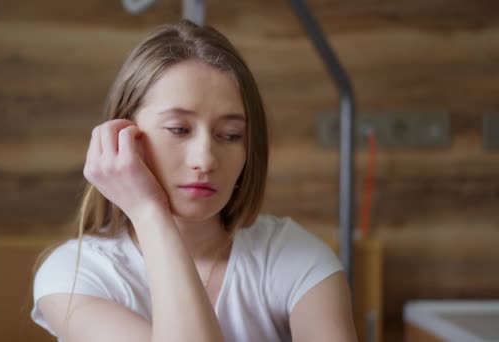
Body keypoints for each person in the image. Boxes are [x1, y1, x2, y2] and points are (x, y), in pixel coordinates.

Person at [31, 19, 358, 342]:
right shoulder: (74, 275)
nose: (205, 160)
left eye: (230, 135)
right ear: (124, 136)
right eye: (178, 129)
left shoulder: (298, 259)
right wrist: (148, 212)